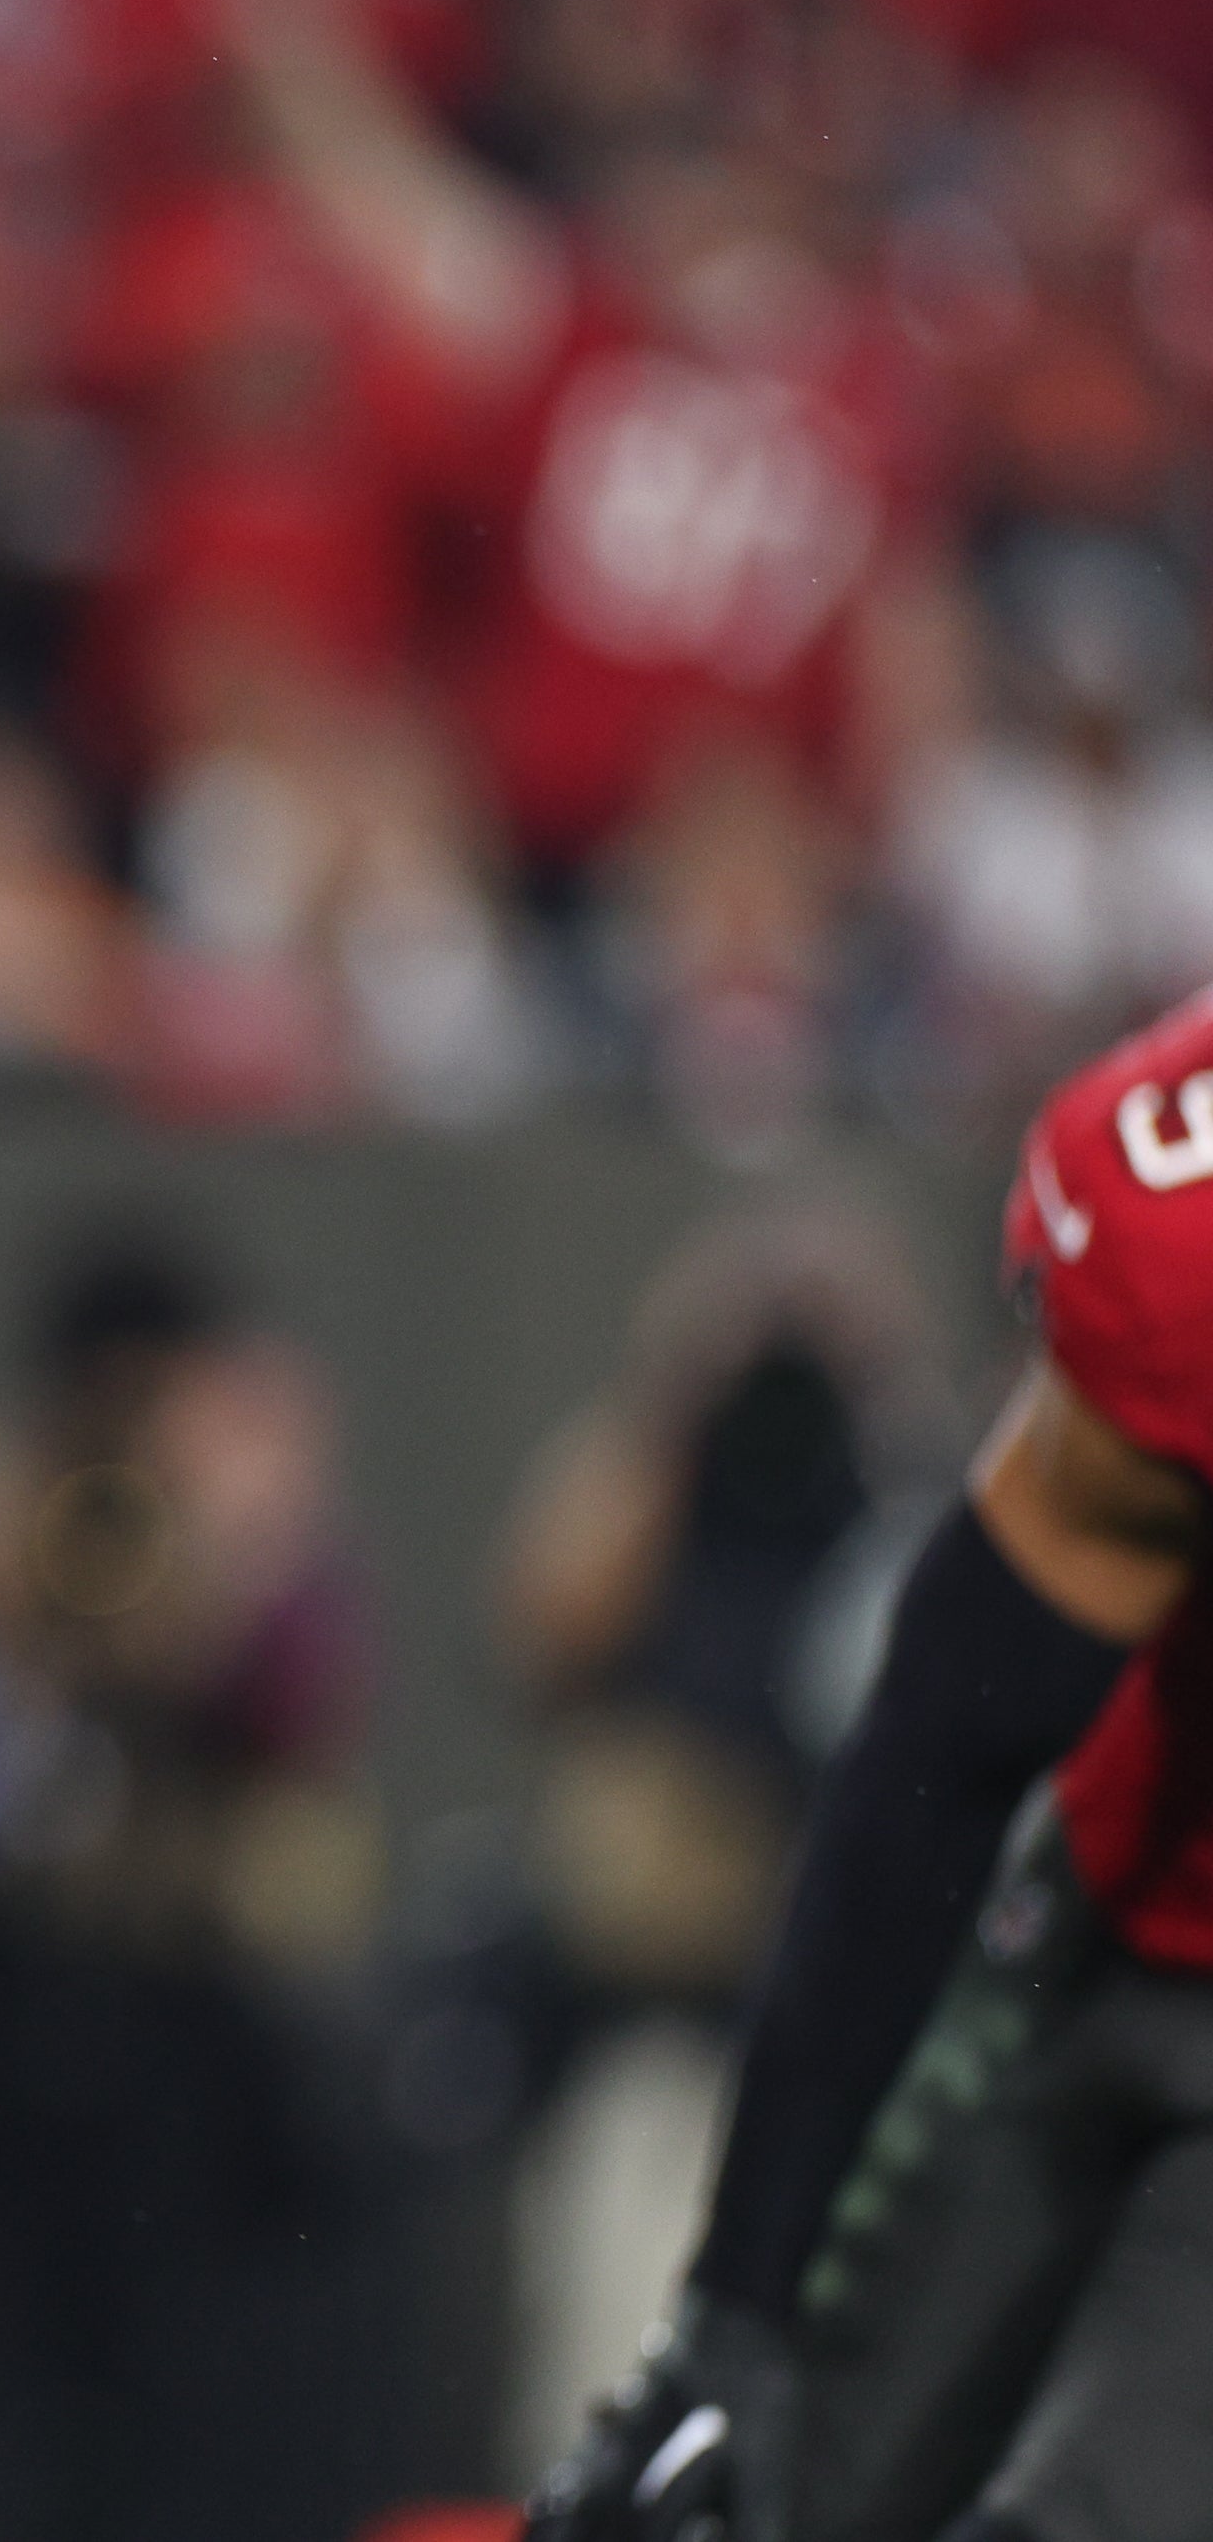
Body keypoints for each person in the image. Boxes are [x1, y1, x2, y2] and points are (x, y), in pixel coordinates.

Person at [530, 987, 1213, 2540]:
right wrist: (738, 2307)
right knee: (731, 2506)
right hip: (1107, 1932)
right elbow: (953, 1736)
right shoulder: (1187, 1231)